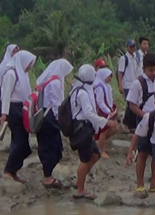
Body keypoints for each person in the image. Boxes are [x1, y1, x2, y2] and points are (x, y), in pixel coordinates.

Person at [70, 65, 118, 200]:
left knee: (95, 155)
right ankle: (80, 189)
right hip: (82, 128)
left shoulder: (77, 89)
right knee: (85, 160)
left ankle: (80, 180)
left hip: (85, 127)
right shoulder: (82, 93)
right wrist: (106, 122)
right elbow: (89, 113)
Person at [126, 53, 155, 198]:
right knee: (142, 153)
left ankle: (154, 183)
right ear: (144, 68)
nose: (154, 73)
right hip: (143, 121)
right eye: (151, 70)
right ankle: (140, 185)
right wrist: (144, 116)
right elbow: (132, 105)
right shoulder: (138, 83)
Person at [35, 59, 74, 189]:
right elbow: (57, 105)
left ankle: (48, 175)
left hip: (45, 118)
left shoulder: (48, 81)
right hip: (50, 119)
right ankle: (47, 178)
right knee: (51, 147)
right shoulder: (56, 83)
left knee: (48, 146)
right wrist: (62, 122)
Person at [1, 50, 37, 183]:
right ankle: (8, 170)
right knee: (21, 143)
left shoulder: (22, 74)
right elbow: (5, 95)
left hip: (21, 109)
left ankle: (13, 171)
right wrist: (4, 114)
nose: (30, 66)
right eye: (29, 63)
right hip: (13, 109)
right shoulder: (11, 74)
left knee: (19, 141)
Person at [93, 68, 118, 158]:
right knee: (103, 131)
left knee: (112, 129)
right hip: (102, 112)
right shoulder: (99, 86)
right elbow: (100, 101)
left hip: (107, 110)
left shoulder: (107, 86)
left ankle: (97, 144)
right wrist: (107, 111)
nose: (110, 79)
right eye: (108, 77)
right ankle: (101, 150)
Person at [118, 39, 140, 132]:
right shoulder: (124, 59)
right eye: (130, 46)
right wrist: (120, 84)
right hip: (127, 84)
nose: (132, 48)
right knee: (129, 104)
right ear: (127, 47)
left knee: (134, 103)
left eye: (133, 46)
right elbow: (120, 72)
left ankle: (131, 125)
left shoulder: (136, 57)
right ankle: (126, 123)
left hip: (134, 83)